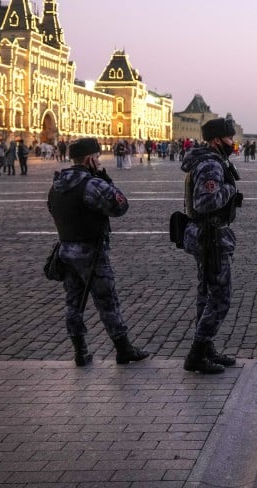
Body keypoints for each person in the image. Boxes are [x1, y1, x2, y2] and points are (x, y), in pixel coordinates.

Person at [47, 137, 150, 367]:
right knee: (107, 302)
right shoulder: (91, 184)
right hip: (91, 253)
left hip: (66, 251)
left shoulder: (57, 183)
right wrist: (103, 179)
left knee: (73, 302)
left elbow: (52, 208)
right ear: (90, 159)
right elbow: (120, 206)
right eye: (97, 158)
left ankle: (80, 351)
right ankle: (123, 348)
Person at [180, 118, 244, 375]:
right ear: (217, 140)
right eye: (229, 138)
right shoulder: (210, 165)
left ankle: (206, 347)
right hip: (210, 237)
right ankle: (196, 353)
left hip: (208, 235)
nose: (233, 143)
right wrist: (229, 189)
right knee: (220, 297)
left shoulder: (210, 160)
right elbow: (206, 201)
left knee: (206, 293)